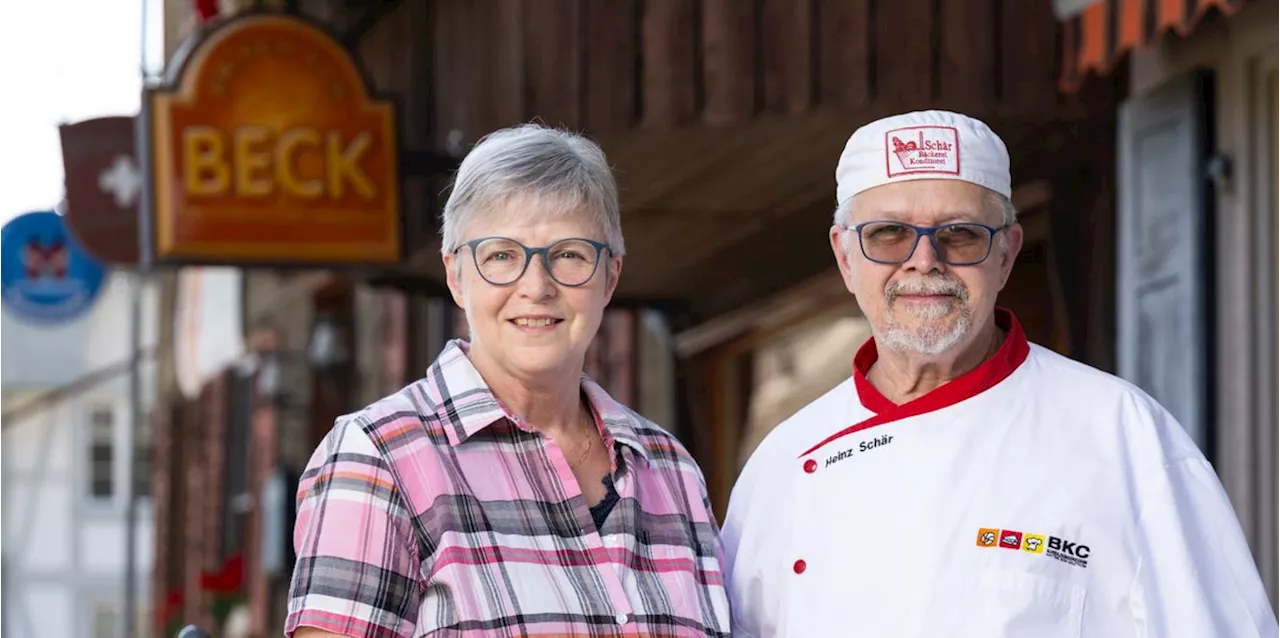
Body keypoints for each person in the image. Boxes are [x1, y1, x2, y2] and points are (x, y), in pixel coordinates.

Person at [721, 110, 1280, 637]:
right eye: (888, 234)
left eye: (960, 234)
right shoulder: (783, 464)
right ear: (846, 257)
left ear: (1007, 253)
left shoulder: (1121, 434)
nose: (923, 261)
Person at [285, 123, 730, 637]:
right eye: (501, 256)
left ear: (610, 277)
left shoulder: (670, 469)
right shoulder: (382, 458)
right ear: (456, 275)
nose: (536, 287)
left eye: (569, 255)